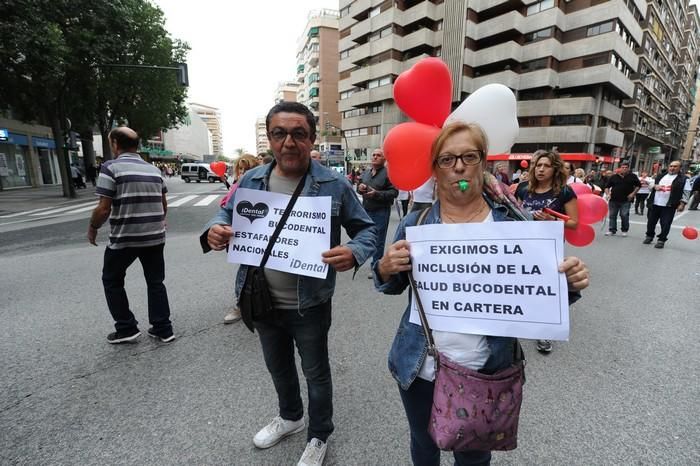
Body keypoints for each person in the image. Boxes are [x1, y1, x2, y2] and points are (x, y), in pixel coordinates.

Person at [375, 122, 590, 466]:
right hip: (419, 365)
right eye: (447, 160)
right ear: (435, 169)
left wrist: (570, 282)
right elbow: (390, 283)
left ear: (483, 163)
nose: (458, 167)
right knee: (423, 443)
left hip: (485, 370)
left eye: (469, 157)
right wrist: (386, 267)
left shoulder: (514, 226)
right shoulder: (415, 223)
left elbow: (541, 297)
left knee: (474, 453)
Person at [200, 101, 376, 466]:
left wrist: (354, 252)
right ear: (269, 139)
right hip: (260, 299)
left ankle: (319, 434)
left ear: (311, 139)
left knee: (316, 372)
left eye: (299, 134)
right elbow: (225, 212)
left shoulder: (333, 183)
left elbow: (367, 230)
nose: (289, 142)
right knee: (278, 367)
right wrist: (215, 229)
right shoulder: (251, 179)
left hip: (308, 302)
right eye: (279, 133)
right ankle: (291, 417)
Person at [87, 127, 174, 344]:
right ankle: (163, 328)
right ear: (137, 145)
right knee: (156, 282)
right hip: (155, 236)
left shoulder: (110, 168)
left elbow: (103, 208)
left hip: (125, 237)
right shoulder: (154, 170)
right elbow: (163, 205)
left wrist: (93, 227)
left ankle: (126, 328)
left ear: (115, 143)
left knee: (112, 280)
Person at [515, 149, 578, 354]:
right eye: (538, 165)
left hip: (549, 248)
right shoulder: (523, 189)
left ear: (555, 169)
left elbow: (574, 223)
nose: (541, 169)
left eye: (546, 166)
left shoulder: (565, 192)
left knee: (548, 290)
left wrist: (553, 221)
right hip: (523, 246)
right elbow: (513, 214)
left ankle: (544, 333)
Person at [219, 154, 260, 324]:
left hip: (256, 236)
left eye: (247, 170)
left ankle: (247, 304)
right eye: (241, 170)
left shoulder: (260, 186)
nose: (243, 173)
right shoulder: (237, 185)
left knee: (251, 269)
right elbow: (226, 207)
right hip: (240, 235)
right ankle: (242, 305)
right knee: (245, 269)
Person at [357, 148, 398, 278]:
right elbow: (359, 188)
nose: (375, 157)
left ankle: (376, 267)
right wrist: (360, 188)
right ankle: (366, 260)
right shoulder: (366, 173)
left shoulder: (389, 174)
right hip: (366, 210)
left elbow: (394, 193)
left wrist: (377, 194)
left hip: (381, 211)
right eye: (373, 155)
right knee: (366, 237)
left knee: (378, 240)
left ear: (384, 159)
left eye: (378, 155)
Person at [643, 160, 691, 249]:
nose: (672, 168)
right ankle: (649, 236)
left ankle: (661, 240)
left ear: (680, 168)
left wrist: (683, 203)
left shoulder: (684, 179)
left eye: (675, 166)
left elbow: (687, 191)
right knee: (651, 222)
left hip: (669, 205)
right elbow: (650, 185)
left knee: (665, 223)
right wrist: (654, 186)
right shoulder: (660, 176)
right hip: (655, 203)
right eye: (671, 166)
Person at [604, 162, 640, 237]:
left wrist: (633, 193)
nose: (624, 169)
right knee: (612, 215)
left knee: (624, 215)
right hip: (613, 199)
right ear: (620, 168)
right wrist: (607, 194)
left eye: (626, 167)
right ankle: (612, 230)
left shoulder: (633, 176)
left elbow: (638, 186)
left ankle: (624, 230)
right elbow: (607, 187)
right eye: (622, 167)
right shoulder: (614, 177)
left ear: (628, 168)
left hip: (626, 199)